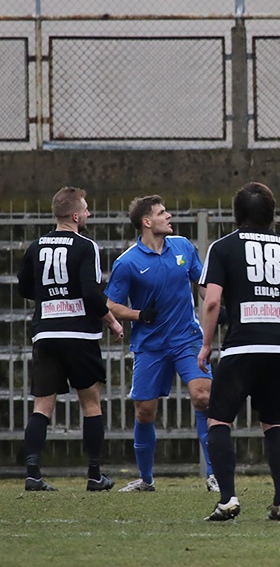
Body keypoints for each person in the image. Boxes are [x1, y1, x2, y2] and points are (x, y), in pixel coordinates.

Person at [198, 182, 280, 522]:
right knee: (274, 424)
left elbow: (213, 300)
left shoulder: (223, 247)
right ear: (271, 213)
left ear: (236, 214)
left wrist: (206, 343)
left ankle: (229, 498)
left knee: (219, 420)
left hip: (241, 346)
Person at [105, 195, 217, 492]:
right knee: (145, 411)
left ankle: (215, 474)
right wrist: (138, 315)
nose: (168, 216)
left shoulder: (182, 247)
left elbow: (202, 284)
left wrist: (219, 305)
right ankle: (145, 479)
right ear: (146, 222)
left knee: (204, 397)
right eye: (161, 212)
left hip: (186, 339)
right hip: (150, 345)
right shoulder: (127, 262)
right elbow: (111, 304)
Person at [17, 186, 124, 492]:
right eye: (86, 209)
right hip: (79, 334)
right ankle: (94, 474)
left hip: (46, 332)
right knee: (90, 403)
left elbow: (25, 287)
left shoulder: (36, 246)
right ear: (75, 215)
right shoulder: (85, 246)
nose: (89, 214)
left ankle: (33, 473)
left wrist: (50, 298)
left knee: (42, 406)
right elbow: (91, 293)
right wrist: (113, 321)